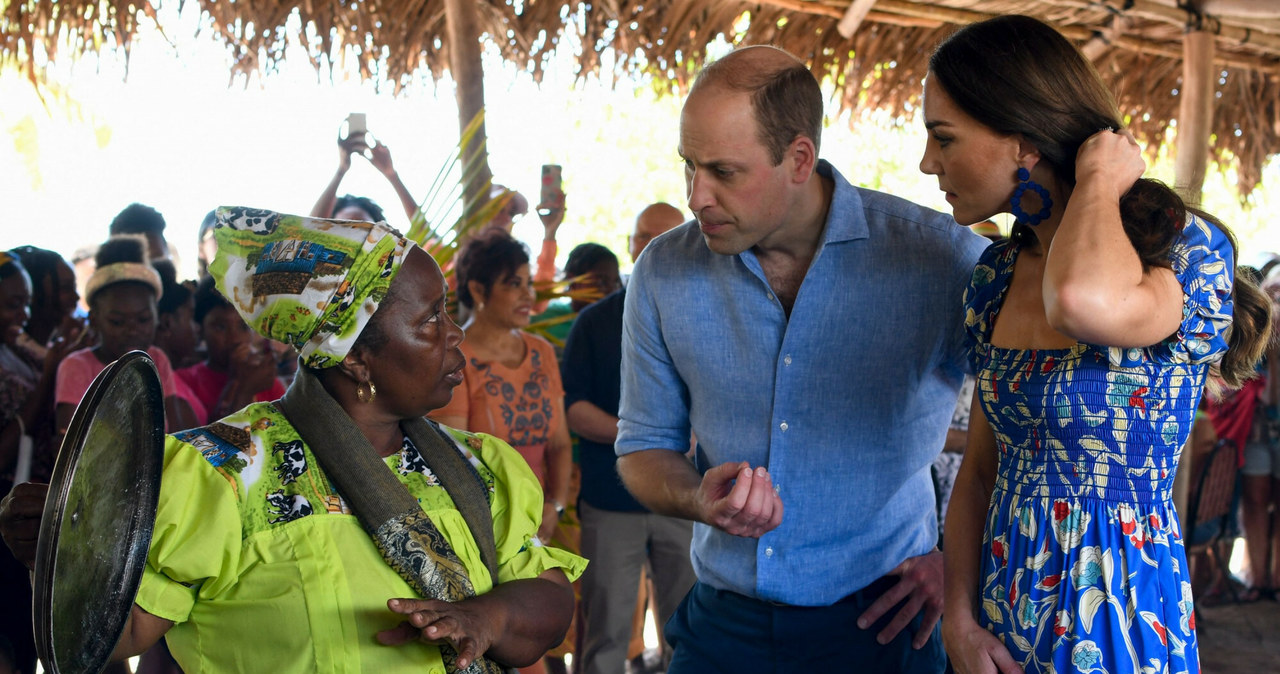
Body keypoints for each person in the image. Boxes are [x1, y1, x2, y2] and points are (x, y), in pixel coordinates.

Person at [1, 207, 586, 672]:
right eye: (431, 319)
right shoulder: (224, 474)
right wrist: (62, 555)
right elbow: (112, 637)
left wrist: (488, 618)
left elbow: (551, 604)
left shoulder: (478, 467)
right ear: (356, 358)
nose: (455, 334)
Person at [615, 46, 987, 673]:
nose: (696, 196)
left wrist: (955, 561)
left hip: (890, 619)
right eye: (689, 166)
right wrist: (697, 498)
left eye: (724, 172)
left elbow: (1037, 430)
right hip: (725, 622)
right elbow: (644, 447)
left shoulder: (942, 261)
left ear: (799, 159)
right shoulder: (663, 270)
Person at [922, 15, 1273, 674]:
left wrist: (1099, 184)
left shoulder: (1181, 253)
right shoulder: (994, 279)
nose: (927, 162)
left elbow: (1081, 303)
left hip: (1121, 615)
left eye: (944, 138)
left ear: (1023, 143)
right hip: (1001, 614)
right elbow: (979, 472)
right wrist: (959, 621)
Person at [429, 228, 576, 674]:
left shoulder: (541, 352)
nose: (528, 294)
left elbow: (560, 442)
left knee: (551, 638)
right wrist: (512, 525)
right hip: (485, 527)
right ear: (478, 289)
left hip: (545, 520)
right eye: (514, 283)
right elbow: (454, 458)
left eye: (529, 283)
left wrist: (553, 504)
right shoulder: (456, 357)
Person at [562, 202, 695, 674]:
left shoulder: (709, 315)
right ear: (632, 246)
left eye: (670, 236)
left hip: (687, 499)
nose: (656, 247)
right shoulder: (595, 322)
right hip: (610, 499)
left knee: (689, 629)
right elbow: (573, 408)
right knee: (606, 631)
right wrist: (644, 438)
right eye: (646, 237)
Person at [54, 236, 186, 439]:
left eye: (143, 319)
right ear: (94, 319)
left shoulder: (157, 360)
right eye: (117, 322)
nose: (132, 330)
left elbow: (176, 435)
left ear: (156, 317)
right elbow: (69, 444)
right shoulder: (76, 367)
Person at [175, 275, 285, 424]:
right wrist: (241, 386)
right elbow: (214, 441)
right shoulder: (185, 382)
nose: (234, 338)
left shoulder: (265, 380)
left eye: (243, 326)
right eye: (220, 327)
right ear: (200, 330)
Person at [312, 131, 420, 227]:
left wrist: (391, 174)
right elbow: (309, 228)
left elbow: (426, 235)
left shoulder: (391, 248)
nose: (353, 233)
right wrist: (341, 170)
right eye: (344, 225)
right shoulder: (313, 246)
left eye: (363, 229)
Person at [531, 243, 622, 350]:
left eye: (616, 283)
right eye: (601, 282)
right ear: (573, 281)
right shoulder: (544, 316)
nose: (611, 291)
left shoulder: (617, 325)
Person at [7, 246, 85, 360]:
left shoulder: (55, 345)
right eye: (66, 288)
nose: (76, 297)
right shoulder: (11, 355)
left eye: (74, 287)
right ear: (34, 293)